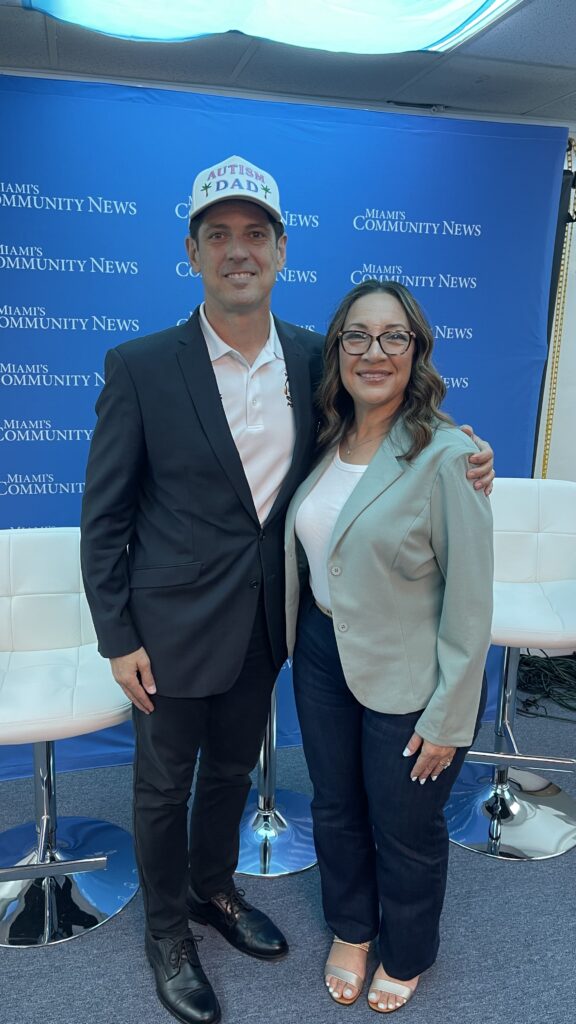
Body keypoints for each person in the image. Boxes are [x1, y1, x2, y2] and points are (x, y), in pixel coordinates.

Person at [80, 156, 494, 1024]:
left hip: (273, 627)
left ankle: (211, 890)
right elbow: (105, 517)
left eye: (256, 234)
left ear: (280, 250)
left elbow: (391, 423)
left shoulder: (319, 357)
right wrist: (118, 636)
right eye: (220, 235)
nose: (240, 251)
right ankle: (167, 933)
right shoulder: (141, 366)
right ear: (191, 251)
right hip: (167, 631)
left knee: (232, 772)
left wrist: (466, 448)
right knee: (163, 788)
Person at [285, 279, 494, 1014]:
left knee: (404, 825)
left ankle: (405, 951)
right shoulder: (320, 437)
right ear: (337, 349)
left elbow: (472, 600)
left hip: (409, 671)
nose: (375, 352)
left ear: (417, 352)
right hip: (320, 649)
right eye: (358, 337)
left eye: (394, 337)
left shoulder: (449, 456)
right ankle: (351, 927)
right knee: (335, 805)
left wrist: (449, 717)